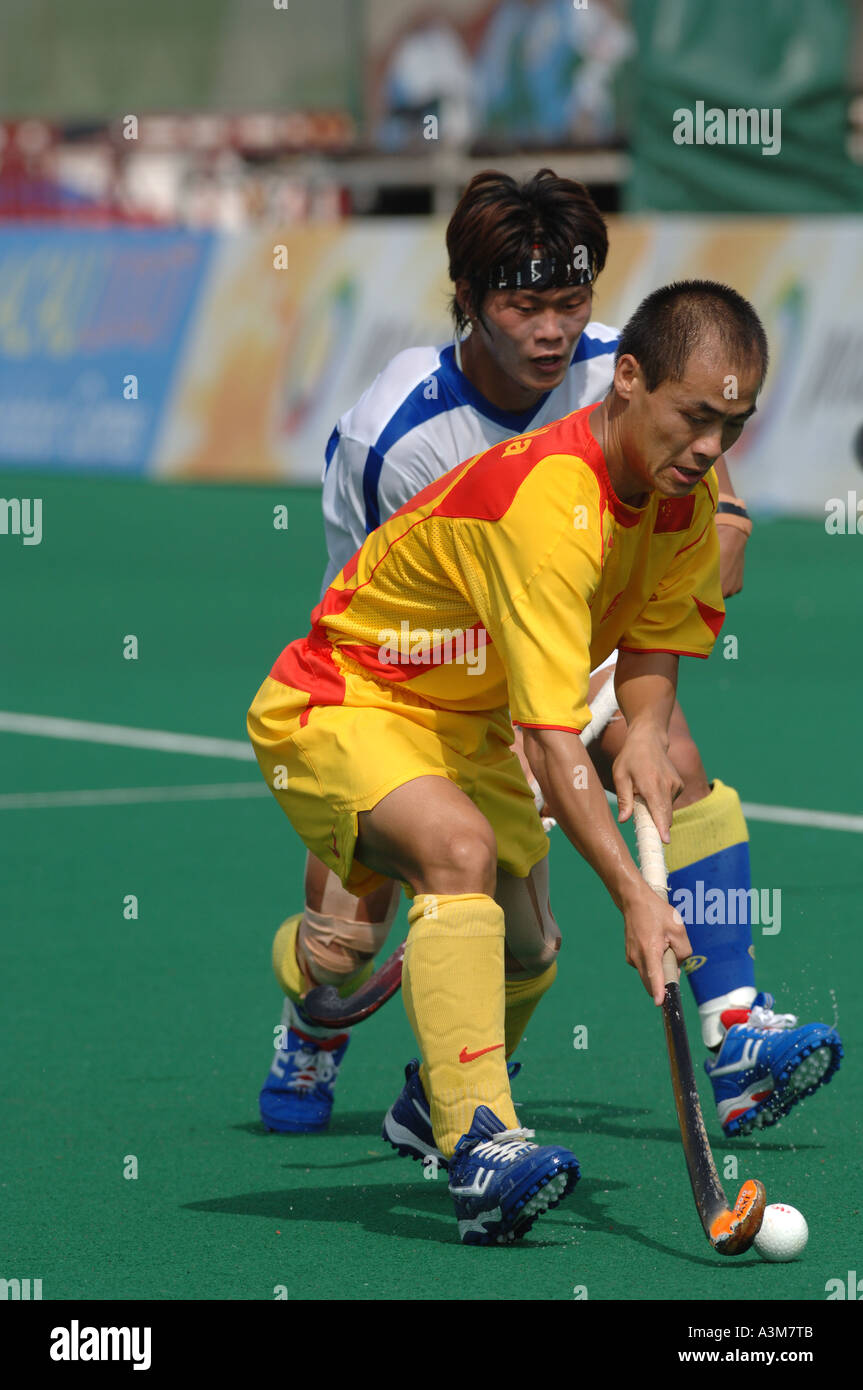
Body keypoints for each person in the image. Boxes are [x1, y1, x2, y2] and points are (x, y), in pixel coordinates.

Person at [258, 171, 842, 1150]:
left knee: (673, 761)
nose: (550, 330)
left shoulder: (618, 363)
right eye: (520, 305)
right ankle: (313, 1020)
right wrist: (519, 738)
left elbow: (696, 420)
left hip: (570, 632)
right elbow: (359, 613)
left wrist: (724, 510)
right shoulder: (392, 434)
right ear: (469, 301)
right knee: (344, 941)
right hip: (417, 669)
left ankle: (734, 1029)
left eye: (568, 303)